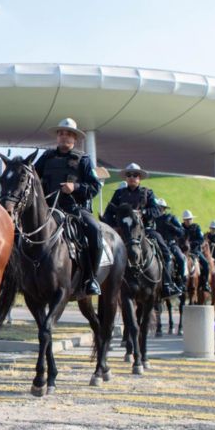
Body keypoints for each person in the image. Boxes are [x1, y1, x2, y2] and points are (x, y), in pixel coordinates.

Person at [33, 117, 102, 297]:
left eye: (68, 134)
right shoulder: (46, 157)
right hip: (48, 209)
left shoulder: (83, 160)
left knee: (94, 232)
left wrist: (75, 187)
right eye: (61, 133)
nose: (64, 137)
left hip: (75, 209)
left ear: (75, 138)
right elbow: (32, 179)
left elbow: (95, 187)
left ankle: (90, 279)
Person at [101, 163, 179, 297]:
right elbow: (109, 213)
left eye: (135, 175)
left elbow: (156, 210)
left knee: (165, 251)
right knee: (103, 250)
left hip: (145, 231)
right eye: (129, 175)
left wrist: (142, 212)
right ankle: (100, 282)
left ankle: (167, 284)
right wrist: (113, 225)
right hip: (123, 232)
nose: (132, 177)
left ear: (139, 178)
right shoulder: (119, 194)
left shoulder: (147, 193)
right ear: (126, 178)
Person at [154, 199, 186, 295]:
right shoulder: (152, 218)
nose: (159, 209)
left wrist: (171, 226)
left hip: (170, 244)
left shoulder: (171, 218)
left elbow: (181, 231)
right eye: (157, 207)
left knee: (181, 259)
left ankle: (180, 282)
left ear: (164, 209)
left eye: (161, 208)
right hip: (156, 244)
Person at [181, 210, 211, 293]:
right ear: (183, 220)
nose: (188, 220)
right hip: (183, 251)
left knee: (205, 264)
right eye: (186, 219)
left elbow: (201, 240)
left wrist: (191, 243)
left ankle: (205, 283)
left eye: (190, 219)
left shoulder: (196, 227)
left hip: (195, 251)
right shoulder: (180, 227)